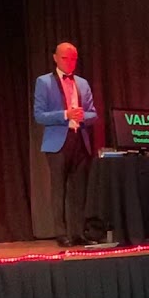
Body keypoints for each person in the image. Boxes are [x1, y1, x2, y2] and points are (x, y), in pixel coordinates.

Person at [33, 42, 97, 247]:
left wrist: (83, 116)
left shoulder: (83, 83)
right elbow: (39, 115)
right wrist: (65, 114)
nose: (70, 62)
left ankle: (77, 233)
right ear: (55, 58)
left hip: (80, 140)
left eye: (73, 59)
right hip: (58, 142)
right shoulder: (44, 82)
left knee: (79, 191)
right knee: (59, 190)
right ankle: (61, 233)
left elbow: (93, 114)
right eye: (65, 58)